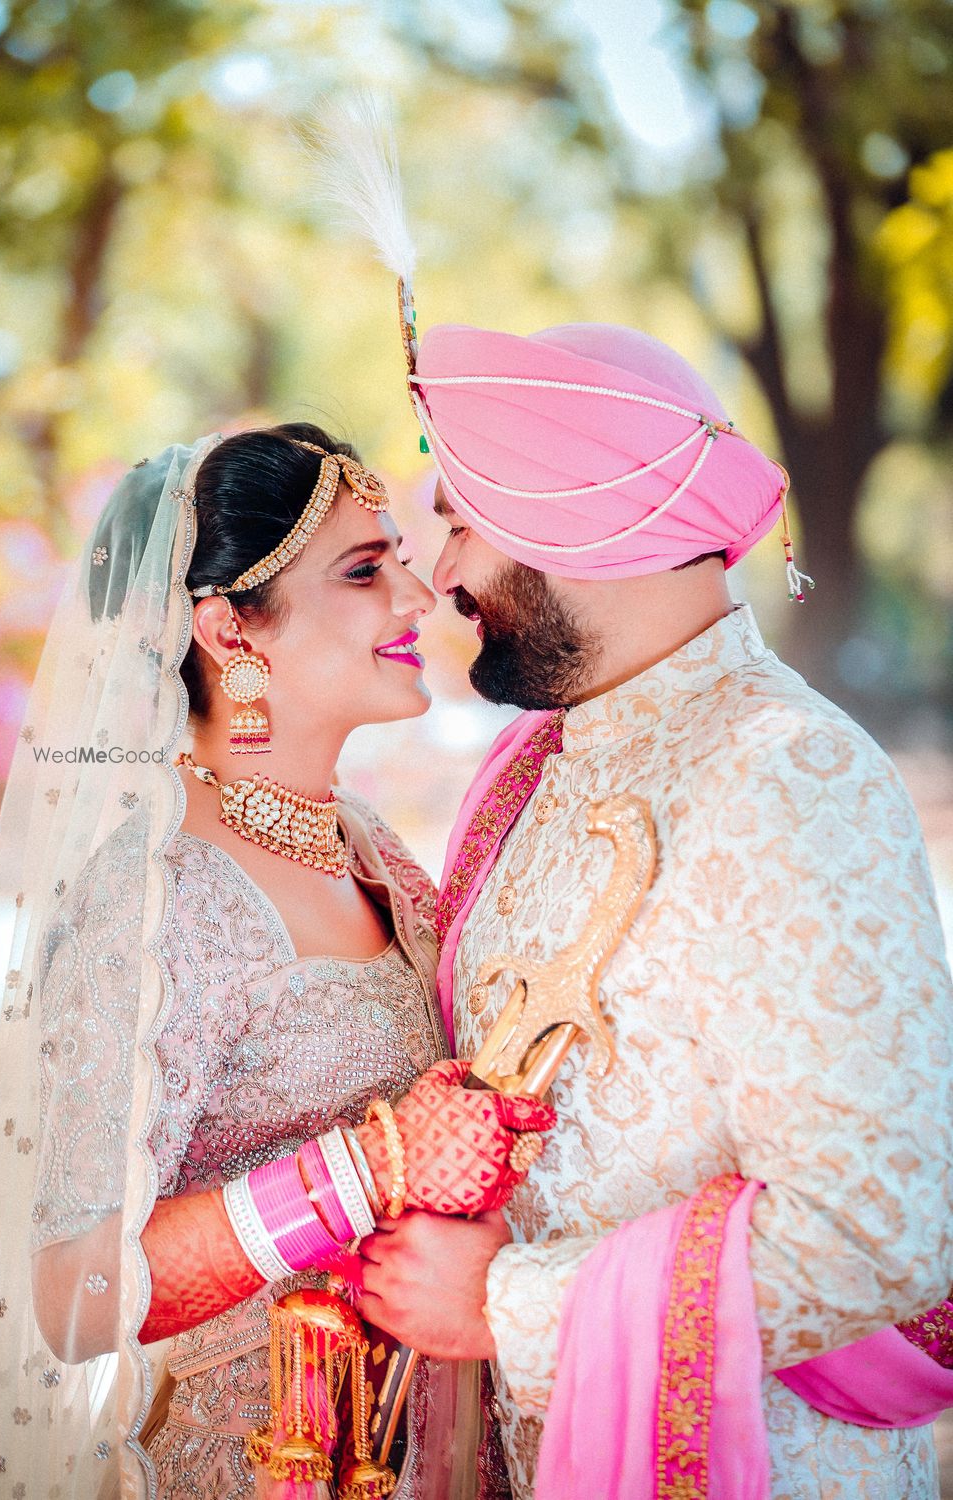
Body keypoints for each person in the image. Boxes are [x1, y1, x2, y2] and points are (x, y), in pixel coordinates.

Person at [357, 320, 953, 1499]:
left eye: (462, 520)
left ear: (567, 519)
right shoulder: (538, 759)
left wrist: (502, 1304)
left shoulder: (788, 776)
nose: (442, 573)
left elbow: (885, 1228)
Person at [0, 422, 554, 1499]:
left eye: (401, 562)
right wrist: (367, 1169)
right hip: (264, 1465)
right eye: (366, 571)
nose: (417, 599)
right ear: (230, 627)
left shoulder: (367, 844)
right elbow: (76, 1291)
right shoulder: (152, 895)